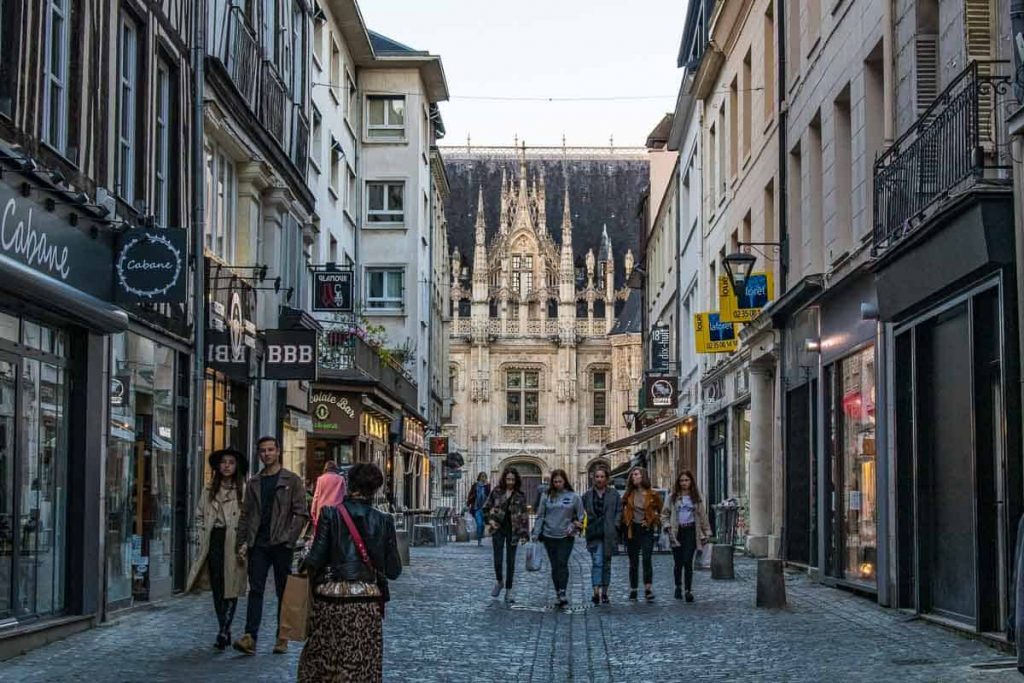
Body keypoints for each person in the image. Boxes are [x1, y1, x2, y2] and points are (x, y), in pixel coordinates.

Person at [297, 463, 401, 683]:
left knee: (325, 661)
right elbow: (393, 570)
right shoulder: (384, 521)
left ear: (348, 484)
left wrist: (303, 561)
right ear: (376, 489)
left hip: (331, 600)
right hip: (366, 602)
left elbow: (315, 559)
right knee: (361, 663)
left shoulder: (330, 514)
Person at [233, 436, 309, 656]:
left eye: (270, 450)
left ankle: (282, 636)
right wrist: (242, 541)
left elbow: (301, 513)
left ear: (278, 452)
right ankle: (250, 637)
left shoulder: (291, 480)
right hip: (258, 544)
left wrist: (289, 538)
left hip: (281, 544)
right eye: (262, 451)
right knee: (255, 590)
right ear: (258, 454)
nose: (266, 454)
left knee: (283, 592)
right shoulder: (254, 482)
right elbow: (246, 514)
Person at [186, 448, 248, 649]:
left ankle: (224, 630)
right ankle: (224, 626)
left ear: (236, 466)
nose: (227, 466)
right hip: (213, 539)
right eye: (223, 462)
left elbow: (250, 518)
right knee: (218, 585)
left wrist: (245, 542)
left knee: (231, 585)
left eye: (231, 462)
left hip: (234, 541)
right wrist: (199, 535)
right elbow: (199, 515)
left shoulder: (243, 490)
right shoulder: (208, 490)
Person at [531, 469, 584, 608]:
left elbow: (580, 516)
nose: (557, 484)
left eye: (560, 481)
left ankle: (563, 591)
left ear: (565, 481)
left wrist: (575, 526)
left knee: (562, 562)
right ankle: (557, 592)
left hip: (566, 536)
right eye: (555, 482)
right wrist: (536, 533)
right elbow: (540, 515)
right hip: (549, 535)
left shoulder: (574, 497)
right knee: (555, 565)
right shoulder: (546, 496)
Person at [482, 466, 530, 603]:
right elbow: (485, 508)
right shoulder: (497, 492)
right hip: (498, 527)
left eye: (513, 480)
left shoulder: (520, 495)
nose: (510, 482)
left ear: (516, 481)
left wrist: (525, 533)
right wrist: (490, 521)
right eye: (508, 479)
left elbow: (524, 516)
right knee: (497, 558)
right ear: (504, 479)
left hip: (513, 529)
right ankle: (499, 581)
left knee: (511, 560)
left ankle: (509, 590)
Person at [662, 469, 712, 602]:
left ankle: (688, 590)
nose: (684, 483)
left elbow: (702, 516)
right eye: (682, 480)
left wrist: (707, 532)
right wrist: (667, 526)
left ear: (691, 482)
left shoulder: (696, 497)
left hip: (691, 531)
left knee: (688, 561)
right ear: (678, 482)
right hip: (677, 532)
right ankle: (678, 586)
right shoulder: (672, 497)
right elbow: (665, 514)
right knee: (678, 562)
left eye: (686, 480)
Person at [618, 466, 663, 602]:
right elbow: (621, 509)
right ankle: (633, 588)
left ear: (643, 476)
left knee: (647, 558)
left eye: (636, 474)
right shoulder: (628, 494)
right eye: (633, 475)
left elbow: (661, 513)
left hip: (646, 530)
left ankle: (648, 588)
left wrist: (651, 520)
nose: (634, 477)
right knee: (633, 561)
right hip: (632, 530)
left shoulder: (653, 494)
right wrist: (624, 520)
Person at [582, 464, 621, 605]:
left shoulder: (614, 494)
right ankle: (596, 592)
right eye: (597, 477)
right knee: (597, 562)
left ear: (607, 478)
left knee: (606, 563)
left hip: (609, 532)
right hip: (594, 532)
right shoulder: (587, 495)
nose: (599, 479)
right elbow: (579, 510)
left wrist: (616, 524)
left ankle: (605, 592)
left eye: (602, 477)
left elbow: (619, 511)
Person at [311, 460, 346, 528]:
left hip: (322, 510)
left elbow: (316, 497)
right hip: (337, 510)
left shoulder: (320, 479)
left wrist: (313, 511)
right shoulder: (341, 479)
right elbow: (344, 495)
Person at [466, 472, 491, 546]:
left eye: (484, 477)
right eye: (482, 476)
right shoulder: (475, 485)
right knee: (479, 524)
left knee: (483, 525)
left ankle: (480, 537)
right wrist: (468, 503)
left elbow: (489, 495)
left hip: (484, 509)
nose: (483, 478)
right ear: (479, 477)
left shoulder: (487, 486)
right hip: (476, 508)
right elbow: (470, 494)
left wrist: (487, 485)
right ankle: (479, 541)